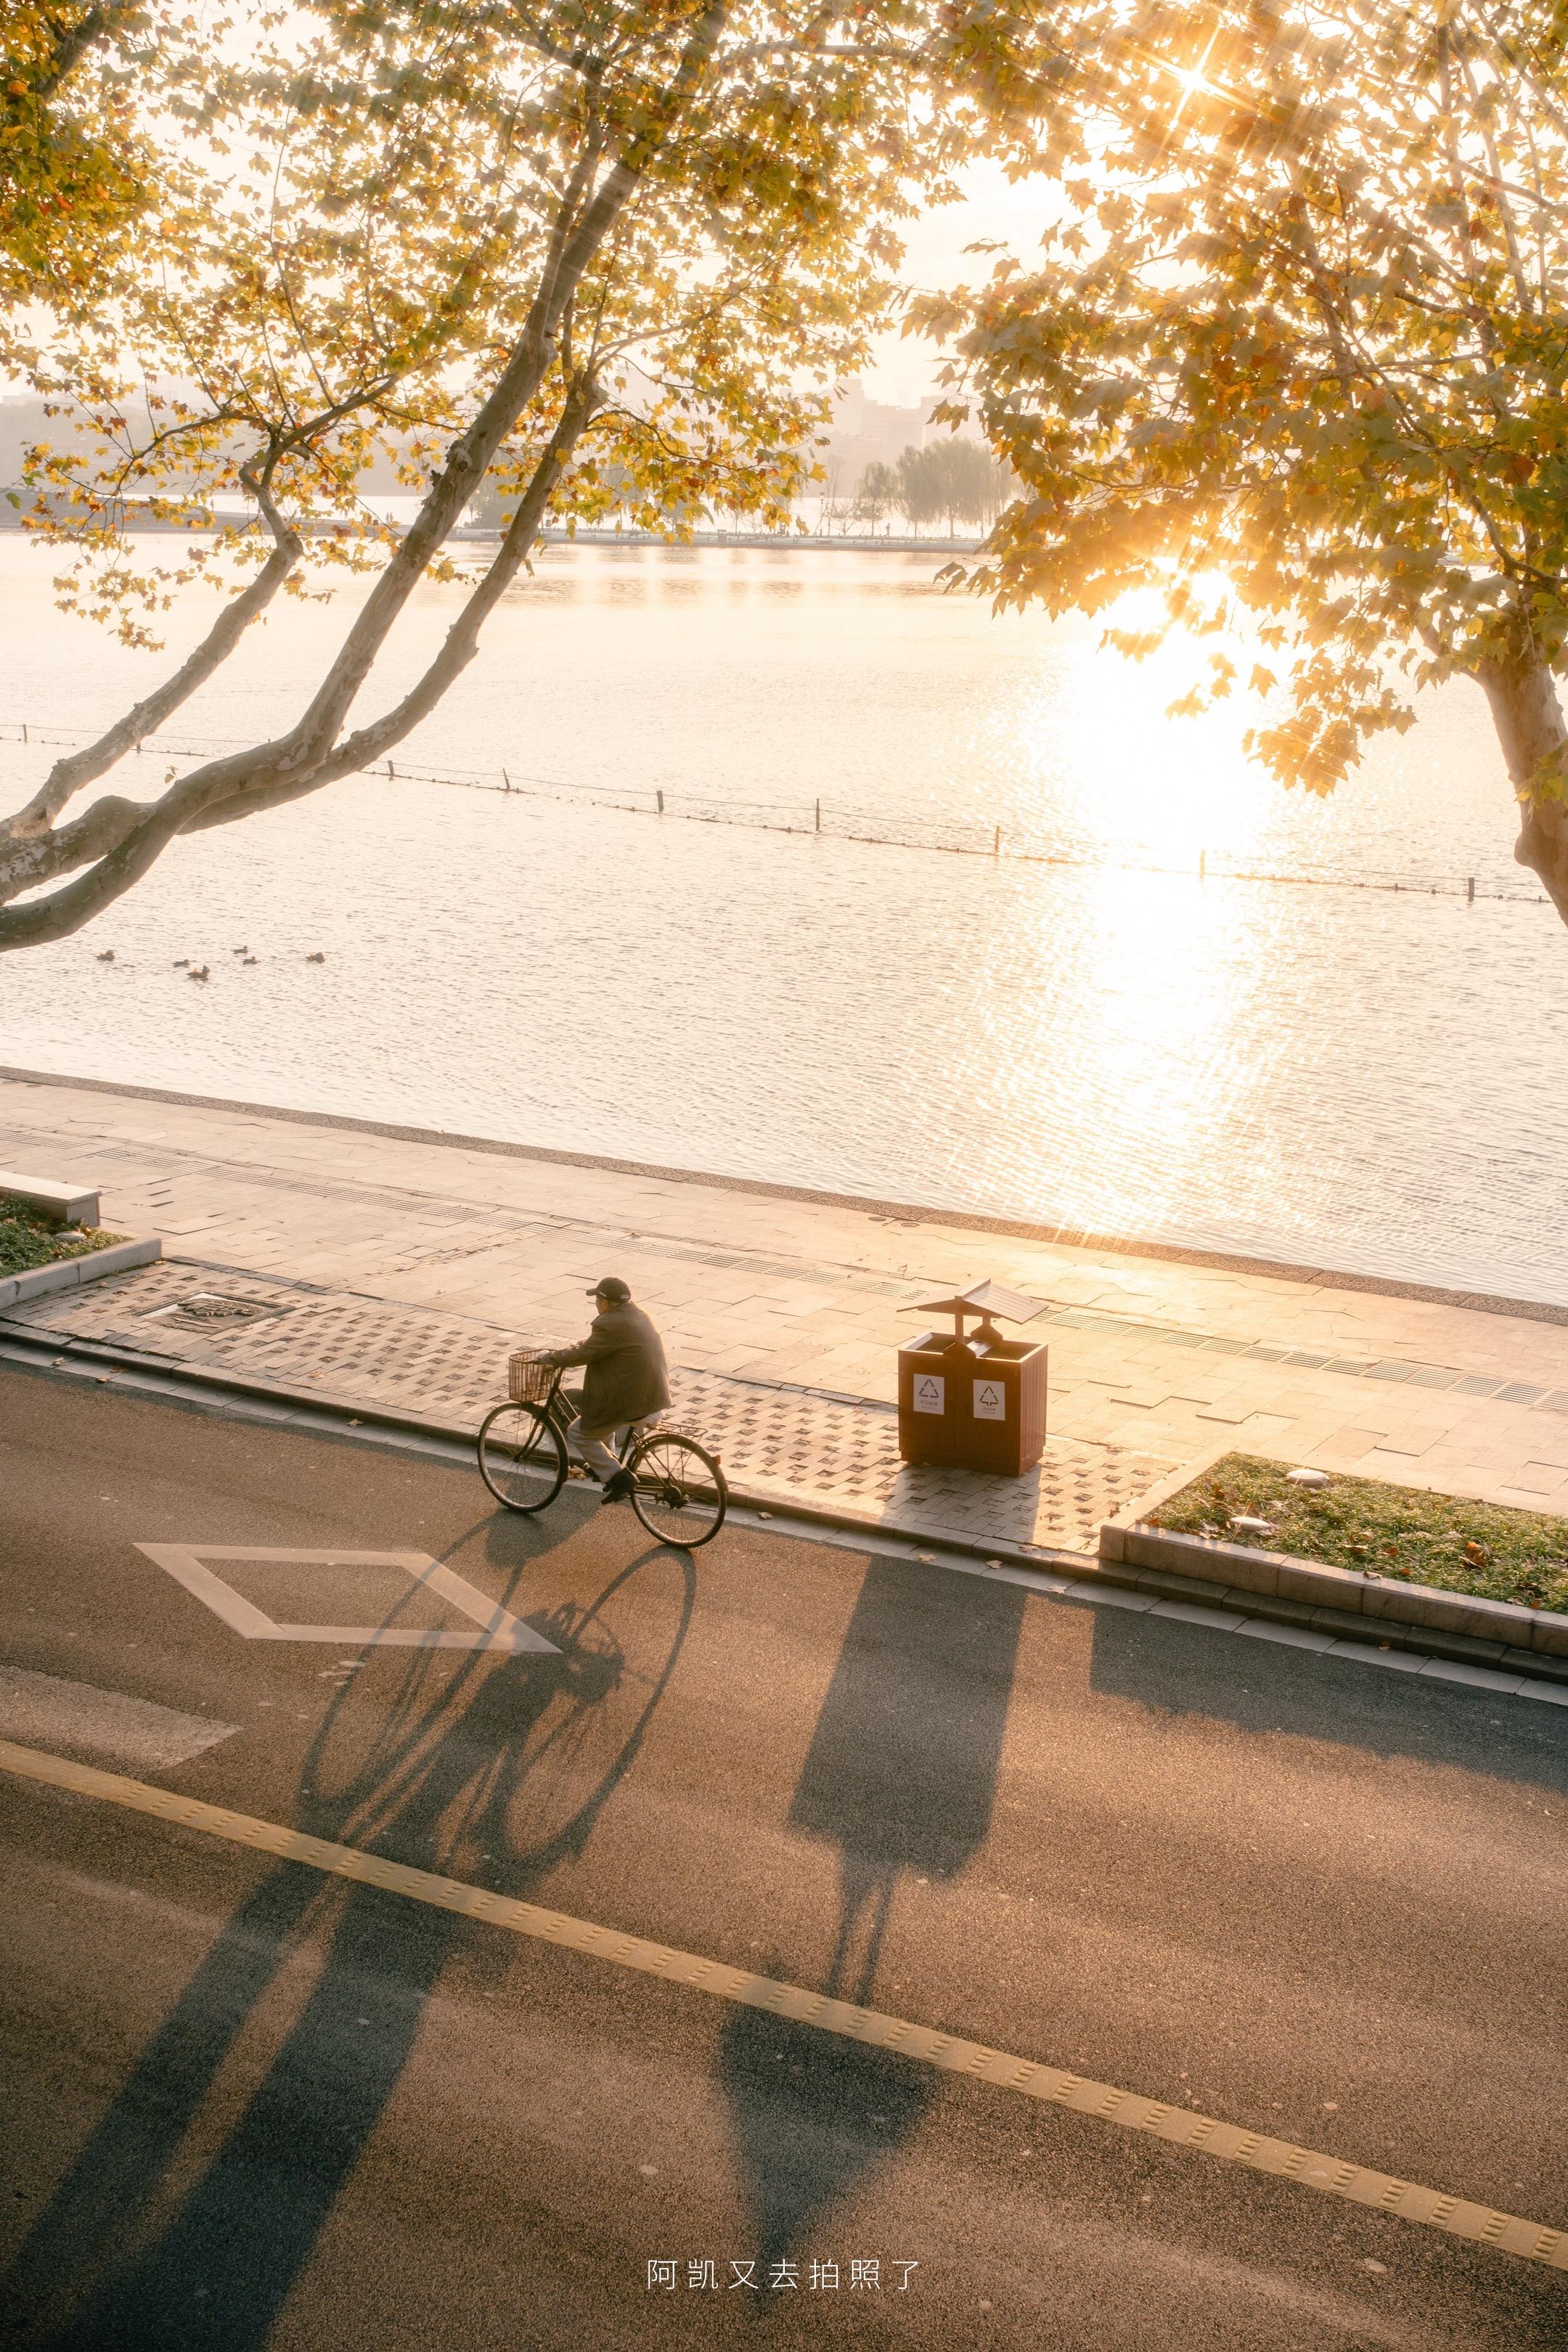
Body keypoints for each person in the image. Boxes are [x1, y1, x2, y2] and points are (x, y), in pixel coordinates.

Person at [541, 1277, 671, 1503]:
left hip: (630, 1399)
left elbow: (583, 1355)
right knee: (602, 1425)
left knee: (578, 1432)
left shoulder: (609, 1323)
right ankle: (603, 1467)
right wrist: (585, 1344)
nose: (597, 1304)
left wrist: (550, 1358)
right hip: (653, 1393)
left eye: (598, 1300)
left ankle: (618, 1477)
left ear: (605, 1303)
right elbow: (599, 1344)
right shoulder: (638, 1314)